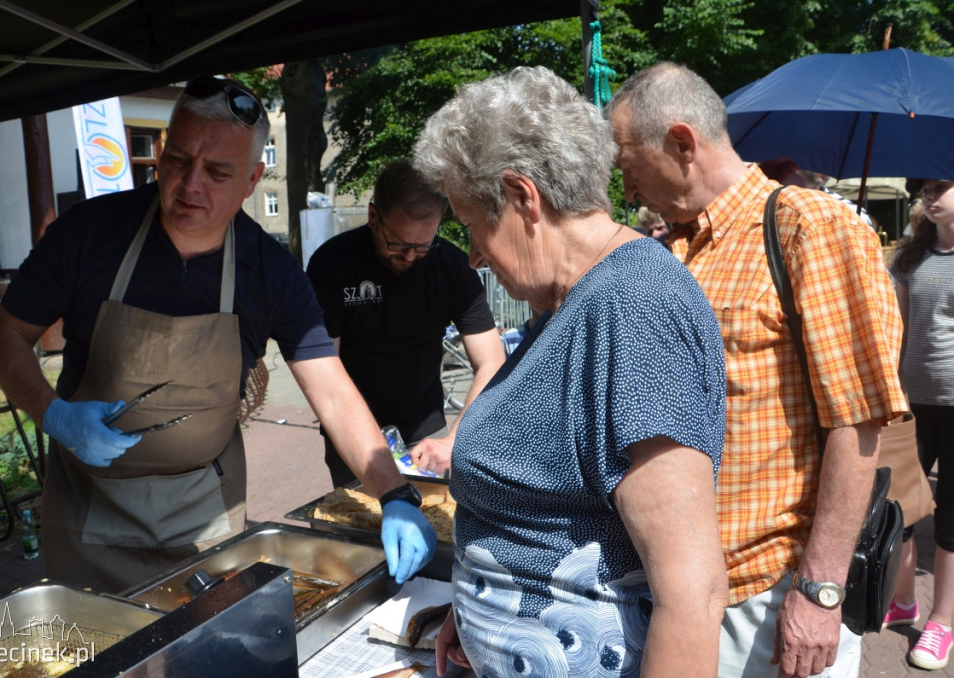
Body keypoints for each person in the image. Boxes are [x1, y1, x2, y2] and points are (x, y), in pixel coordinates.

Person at [0, 75, 435, 594]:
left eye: (218, 171)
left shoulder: (269, 271)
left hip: (205, 519)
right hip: (91, 516)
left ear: (251, 180)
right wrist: (52, 413)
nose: (190, 184)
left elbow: (330, 389)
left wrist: (395, 495)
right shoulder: (88, 234)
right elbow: (3, 337)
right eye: (176, 160)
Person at [414, 65, 729, 678]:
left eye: (474, 227)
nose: (475, 256)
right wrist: (479, 596)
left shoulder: (633, 303)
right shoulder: (565, 301)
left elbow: (693, 594)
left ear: (522, 197)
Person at [607, 62, 907, 678]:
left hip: (773, 593)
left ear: (683, 143)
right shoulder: (673, 250)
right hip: (684, 590)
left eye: (630, 169)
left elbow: (858, 423)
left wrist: (821, 592)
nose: (629, 192)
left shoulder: (807, 224)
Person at [305, 160, 506, 485]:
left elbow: (492, 361)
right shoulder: (332, 265)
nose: (410, 256)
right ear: (374, 217)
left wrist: (454, 439)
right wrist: (365, 444)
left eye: (423, 245)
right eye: (397, 243)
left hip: (427, 433)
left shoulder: (453, 267)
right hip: (351, 434)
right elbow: (325, 374)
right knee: (360, 528)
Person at [887, 178, 954, 670]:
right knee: (900, 508)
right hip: (914, 403)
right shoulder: (911, 257)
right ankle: (902, 599)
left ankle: (942, 623)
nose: (929, 196)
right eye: (923, 188)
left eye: (941, 187)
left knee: (950, 519)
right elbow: (900, 331)